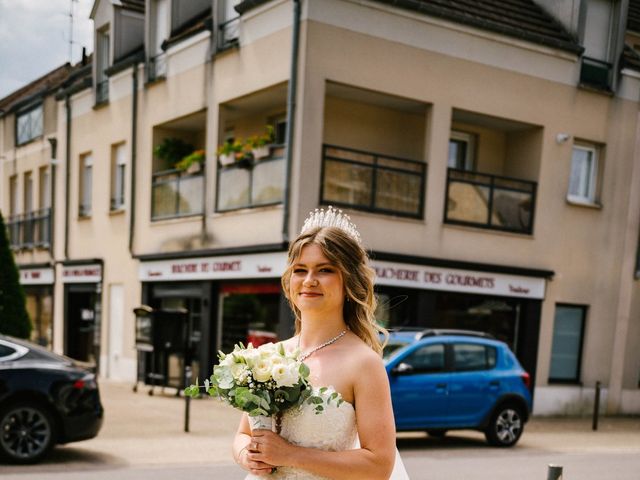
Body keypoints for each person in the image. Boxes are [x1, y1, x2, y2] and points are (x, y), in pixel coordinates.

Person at [233, 207, 409, 479]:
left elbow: (379, 465)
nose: (309, 281)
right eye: (300, 270)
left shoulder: (363, 363)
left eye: (325, 270)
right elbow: (243, 434)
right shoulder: (268, 356)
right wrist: (248, 455)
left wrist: (289, 454)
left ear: (349, 281)